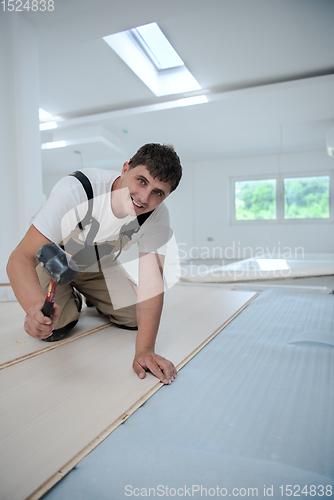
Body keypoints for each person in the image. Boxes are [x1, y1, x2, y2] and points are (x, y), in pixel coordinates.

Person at [7, 143, 182, 385]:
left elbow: (152, 285)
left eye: (158, 192)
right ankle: (73, 299)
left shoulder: (157, 216)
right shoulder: (79, 189)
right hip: (53, 260)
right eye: (141, 181)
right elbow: (20, 257)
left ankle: (89, 294)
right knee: (53, 327)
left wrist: (145, 350)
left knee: (135, 319)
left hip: (97, 262)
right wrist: (33, 307)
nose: (144, 198)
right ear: (125, 169)